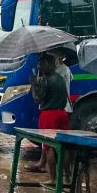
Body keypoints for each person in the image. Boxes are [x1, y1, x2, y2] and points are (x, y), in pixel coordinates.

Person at [29, 53, 69, 182]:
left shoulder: (46, 80)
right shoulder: (60, 79)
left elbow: (37, 99)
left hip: (49, 116)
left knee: (49, 147)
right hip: (62, 114)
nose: (39, 67)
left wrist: (34, 85)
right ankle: (67, 178)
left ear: (48, 64)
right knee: (64, 147)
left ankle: (53, 179)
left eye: (41, 64)